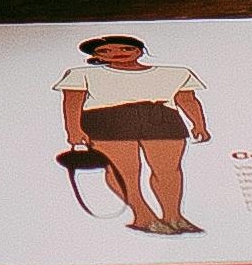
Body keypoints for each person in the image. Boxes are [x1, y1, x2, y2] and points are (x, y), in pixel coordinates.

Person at [56, 36, 211, 232]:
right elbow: (72, 102)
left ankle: (174, 216)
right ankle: (143, 215)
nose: (117, 53)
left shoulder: (175, 73)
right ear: (96, 55)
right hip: (108, 119)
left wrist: (199, 124)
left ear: (139, 50)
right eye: (106, 51)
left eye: (125, 48)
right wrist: (74, 130)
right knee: (124, 171)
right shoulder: (82, 74)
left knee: (168, 170)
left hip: (162, 118)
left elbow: (187, 99)